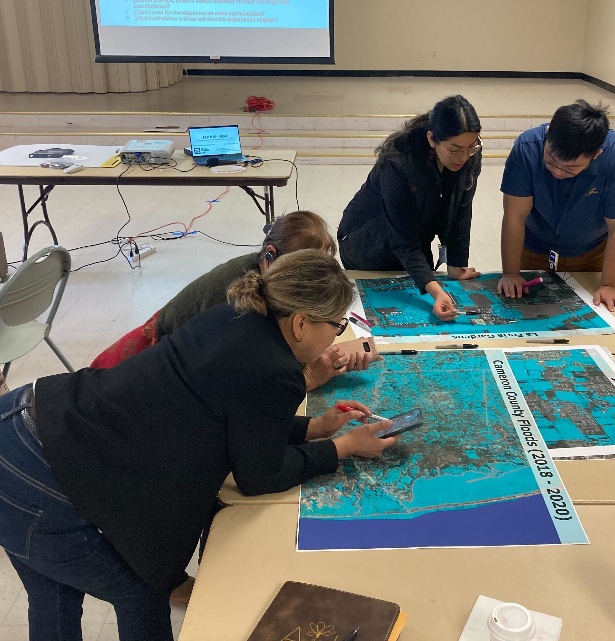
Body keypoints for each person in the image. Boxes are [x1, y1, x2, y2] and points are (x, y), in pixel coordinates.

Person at [0, 250, 398, 641]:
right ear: (300, 323)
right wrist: (344, 447)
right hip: (39, 475)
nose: (337, 333)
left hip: (21, 420)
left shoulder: (236, 314)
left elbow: (232, 413)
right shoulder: (276, 370)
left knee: (53, 594)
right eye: (335, 323)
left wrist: (312, 427)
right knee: (141, 590)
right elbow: (261, 475)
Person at [91, 210, 372, 390]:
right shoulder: (237, 306)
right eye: (306, 271)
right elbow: (237, 387)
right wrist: (309, 376)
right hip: (139, 372)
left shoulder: (270, 281)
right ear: (270, 256)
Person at [338, 95, 483, 320]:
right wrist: (435, 291)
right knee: (388, 313)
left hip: (412, 234)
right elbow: (402, 239)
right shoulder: (398, 164)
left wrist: (456, 264)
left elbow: (461, 210)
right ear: (432, 139)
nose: (463, 156)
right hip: (367, 243)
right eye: (455, 149)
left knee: (419, 283)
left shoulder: (469, 154)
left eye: (470, 147)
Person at [497, 100, 615, 312]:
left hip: (593, 252)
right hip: (534, 246)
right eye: (551, 161)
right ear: (548, 135)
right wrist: (510, 273)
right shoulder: (527, 148)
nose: (557, 172)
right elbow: (514, 217)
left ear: (596, 154)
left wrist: (609, 284)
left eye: (570, 168)